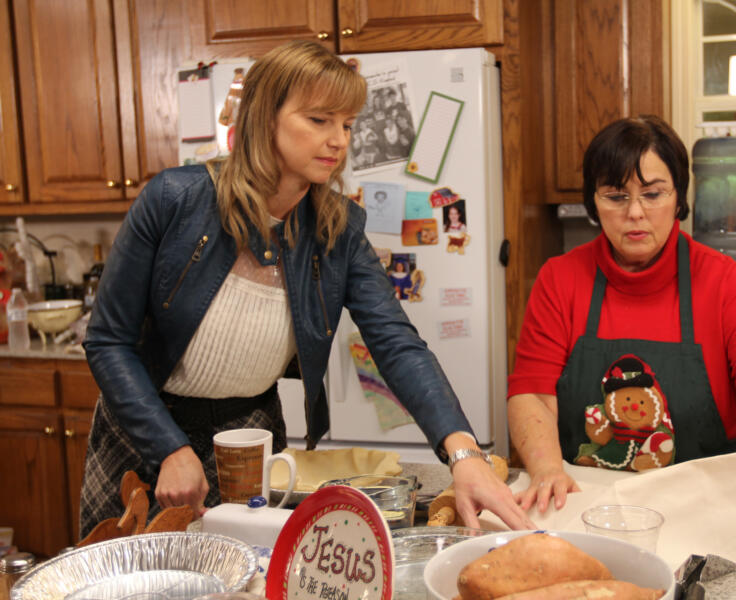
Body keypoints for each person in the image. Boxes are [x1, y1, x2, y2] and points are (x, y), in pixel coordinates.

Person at [80, 39, 533, 538]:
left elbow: (396, 343)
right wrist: (168, 447)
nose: (338, 140)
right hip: (142, 429)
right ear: (262, 118)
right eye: (319, 120)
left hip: (249, 439)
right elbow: (108, 342)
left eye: (347, 124)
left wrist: (463, 454)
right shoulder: (174, 200)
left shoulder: (337, 231)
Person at [507, 115, 736, 515]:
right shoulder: (559, 280)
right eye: (616, 196)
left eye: (653, 194)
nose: (635, 212)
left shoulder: (724, 281)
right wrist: (546, 469)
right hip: (586, 504)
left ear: (679, 198)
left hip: (708, 507)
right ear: (593, 202)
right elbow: (533, 395)